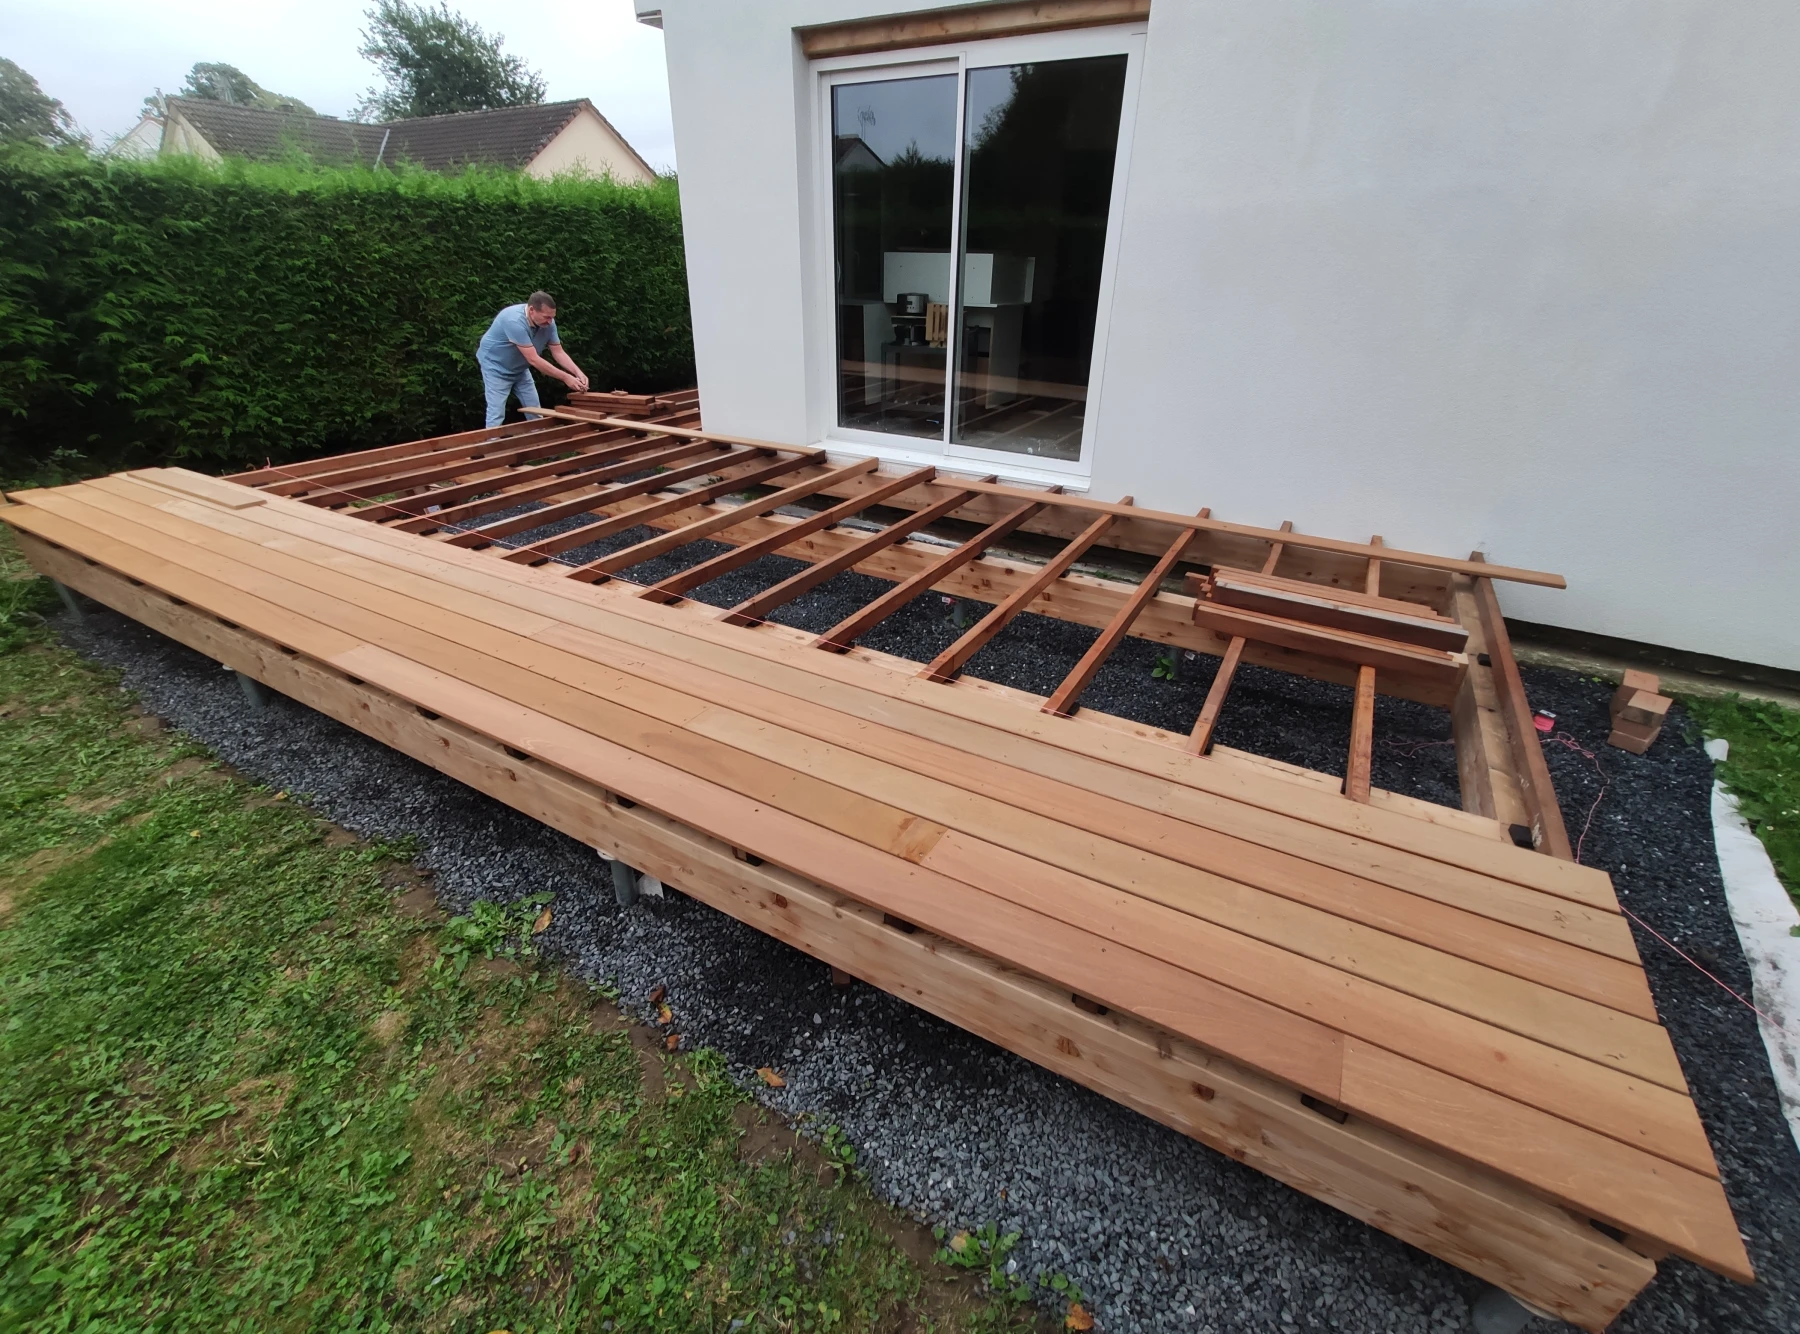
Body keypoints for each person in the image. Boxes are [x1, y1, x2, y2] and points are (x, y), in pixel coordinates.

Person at [476, 291, 590, 427]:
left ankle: (539, 438)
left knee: (535, 410)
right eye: (546, 317)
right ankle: (491, 440)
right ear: (531, 310)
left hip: (520, 368)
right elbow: (533, 359)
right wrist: (566, 377)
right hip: (496, 367)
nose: (550, 321)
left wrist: (578, 373)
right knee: (496, 413)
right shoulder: (513, 321)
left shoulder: (548, 323)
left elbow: (558, 352)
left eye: (552, 317)